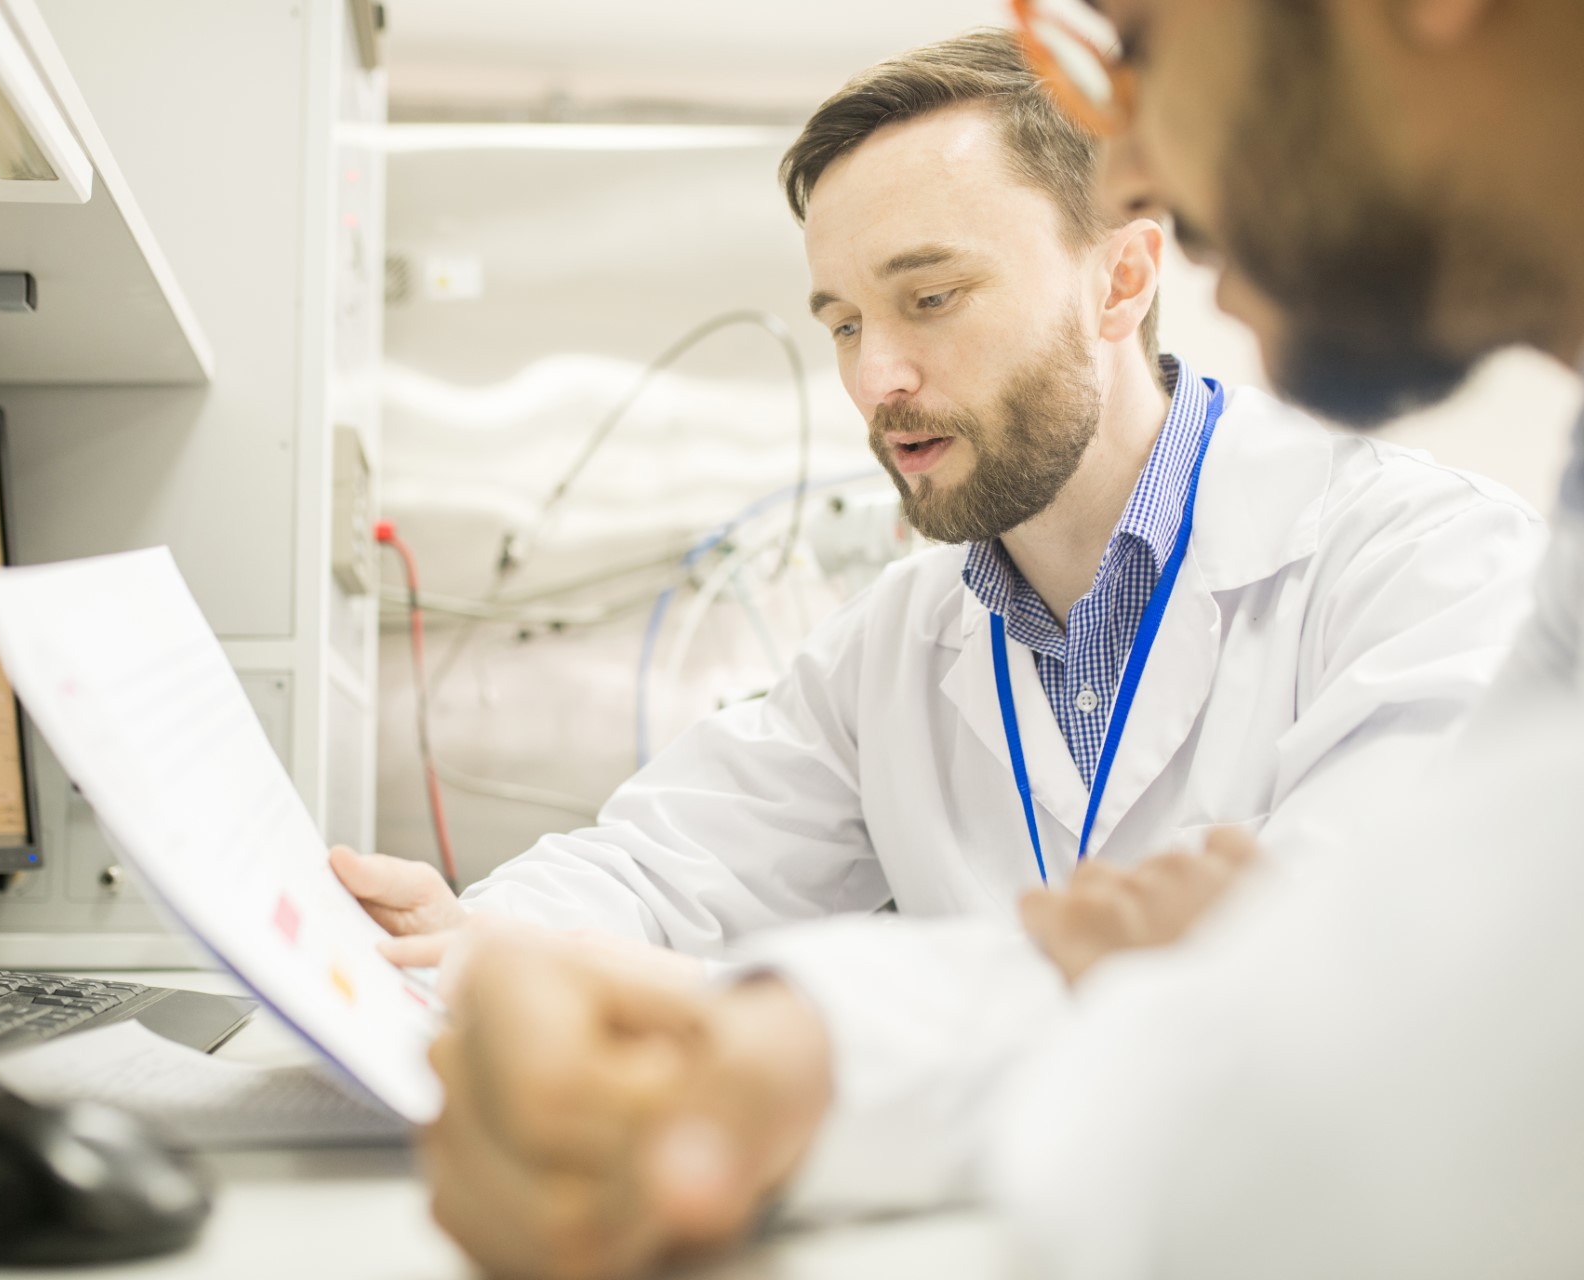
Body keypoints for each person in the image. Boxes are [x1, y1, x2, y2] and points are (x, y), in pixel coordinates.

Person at [392, 31, 1551, 1279]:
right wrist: (475, 940)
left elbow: (1331, 993)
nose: (877, 377)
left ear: (1122, 278)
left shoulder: (1427, 567)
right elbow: (661, 866)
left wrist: (806, 1042)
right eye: (842, 323)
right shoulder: (899, 636)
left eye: (931, 297)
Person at [980, 0, 1584, 1275]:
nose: (1130, 173)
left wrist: (1184, 1007)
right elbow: (1408, 1006)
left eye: (1134, 46)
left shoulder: (1420, 540)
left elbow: (1297, 1174)